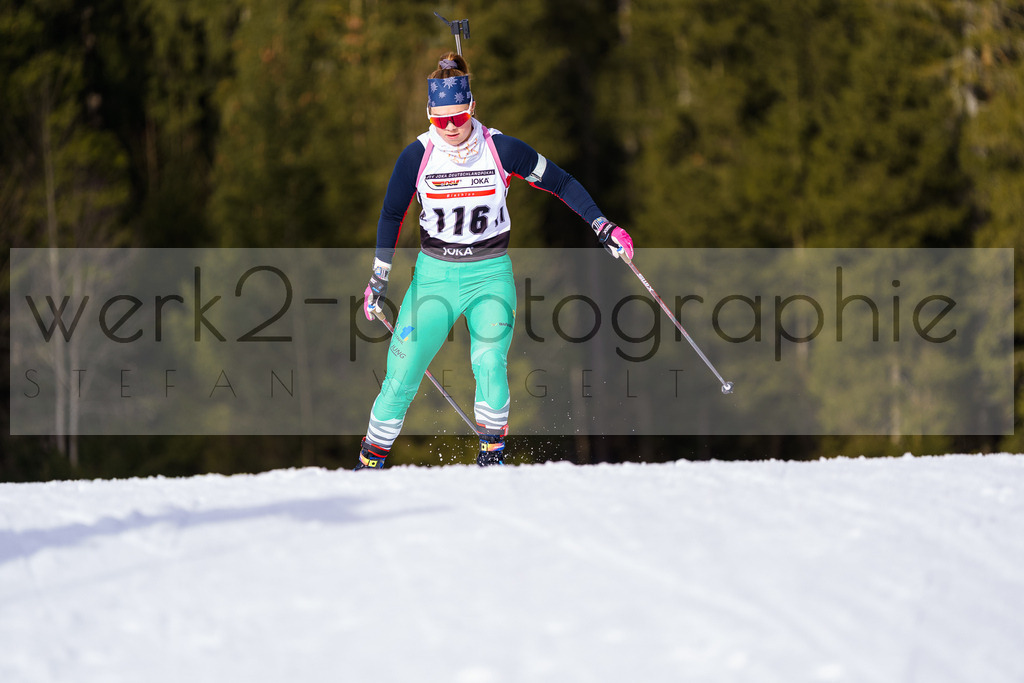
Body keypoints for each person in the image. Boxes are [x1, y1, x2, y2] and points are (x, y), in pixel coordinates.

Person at [356, 52, 633, 470]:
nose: (450, 127)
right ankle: (368, 464)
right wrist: (379, 278)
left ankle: (492, 459)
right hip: (435, 276)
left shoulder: (500, 149)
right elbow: (392, 215)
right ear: (429, 115)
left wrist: (602, 225)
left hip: (489, 274)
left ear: (472, 107)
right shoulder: (417, 155)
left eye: (458, 117)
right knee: (402, 373)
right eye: (440, 120)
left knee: (489, 362)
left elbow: (561, 182)